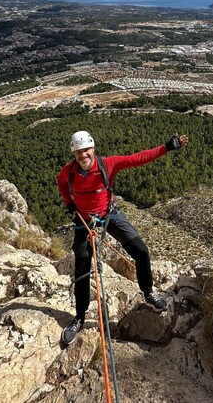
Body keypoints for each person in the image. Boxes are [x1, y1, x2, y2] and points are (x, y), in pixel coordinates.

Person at [57, 130, 189, 345]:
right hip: (85, 221)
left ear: (93, 148)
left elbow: (138, 158)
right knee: (82, 268)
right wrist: (70, 205)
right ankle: (79, 317)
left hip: (110, 215)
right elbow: (62, 184)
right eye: (79, 151)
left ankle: (148, 293)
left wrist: (166, 148)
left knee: (141, 251)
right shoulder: (68, 172)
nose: (83, 155)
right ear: (74, 153)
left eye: (86, 150)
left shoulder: (107, 164)